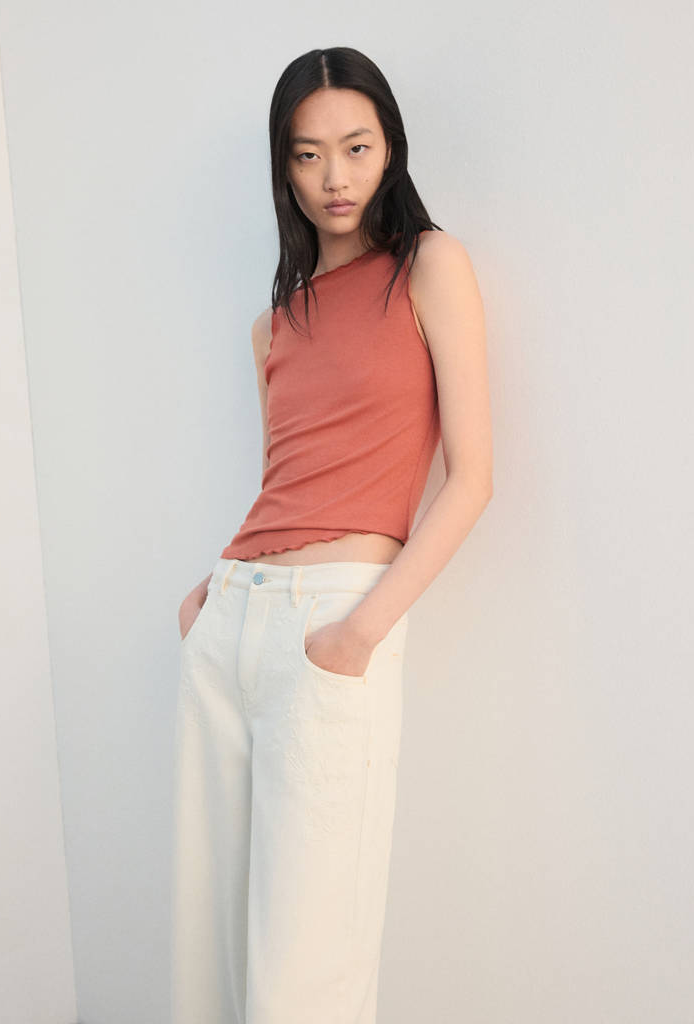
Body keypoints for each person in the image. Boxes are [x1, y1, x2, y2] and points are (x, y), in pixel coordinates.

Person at [170, 46, 493, 1024]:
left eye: (355, 147)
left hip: (332, 624)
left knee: (305, 976)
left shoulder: (428, 267)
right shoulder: (273, 324)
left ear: (390, 148)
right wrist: (212, 589)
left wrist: (363, 629)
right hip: (231, 621)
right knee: (212, 965)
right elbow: (290, 477)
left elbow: (472, 478)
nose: (334, 177)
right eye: (307, 155)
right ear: (284, 168)